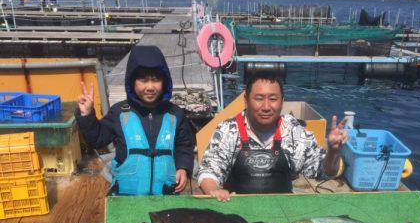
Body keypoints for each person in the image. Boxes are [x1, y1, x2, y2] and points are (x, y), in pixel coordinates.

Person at [198, 72, 348, 200]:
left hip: (282, 210)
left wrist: (333, 152)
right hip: (235, 212)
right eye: (259, 98)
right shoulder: (228, 130)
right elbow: (209, 171)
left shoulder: (294, 130)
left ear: (282, 102)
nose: (266, 107)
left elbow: (324, 172)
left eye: (273, 99)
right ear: (246, 101)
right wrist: (214, 190)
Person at [76, 45, 194, 196]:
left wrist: (183, 168)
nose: (150, 87)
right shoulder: (119, 112)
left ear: (165, 81)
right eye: (143, 80)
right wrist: (87, 115)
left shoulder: (175, 114)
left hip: (166, 196)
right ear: (132, 81)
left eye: (156, 80)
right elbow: (97, 139)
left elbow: (184, 146)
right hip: (127, 198)